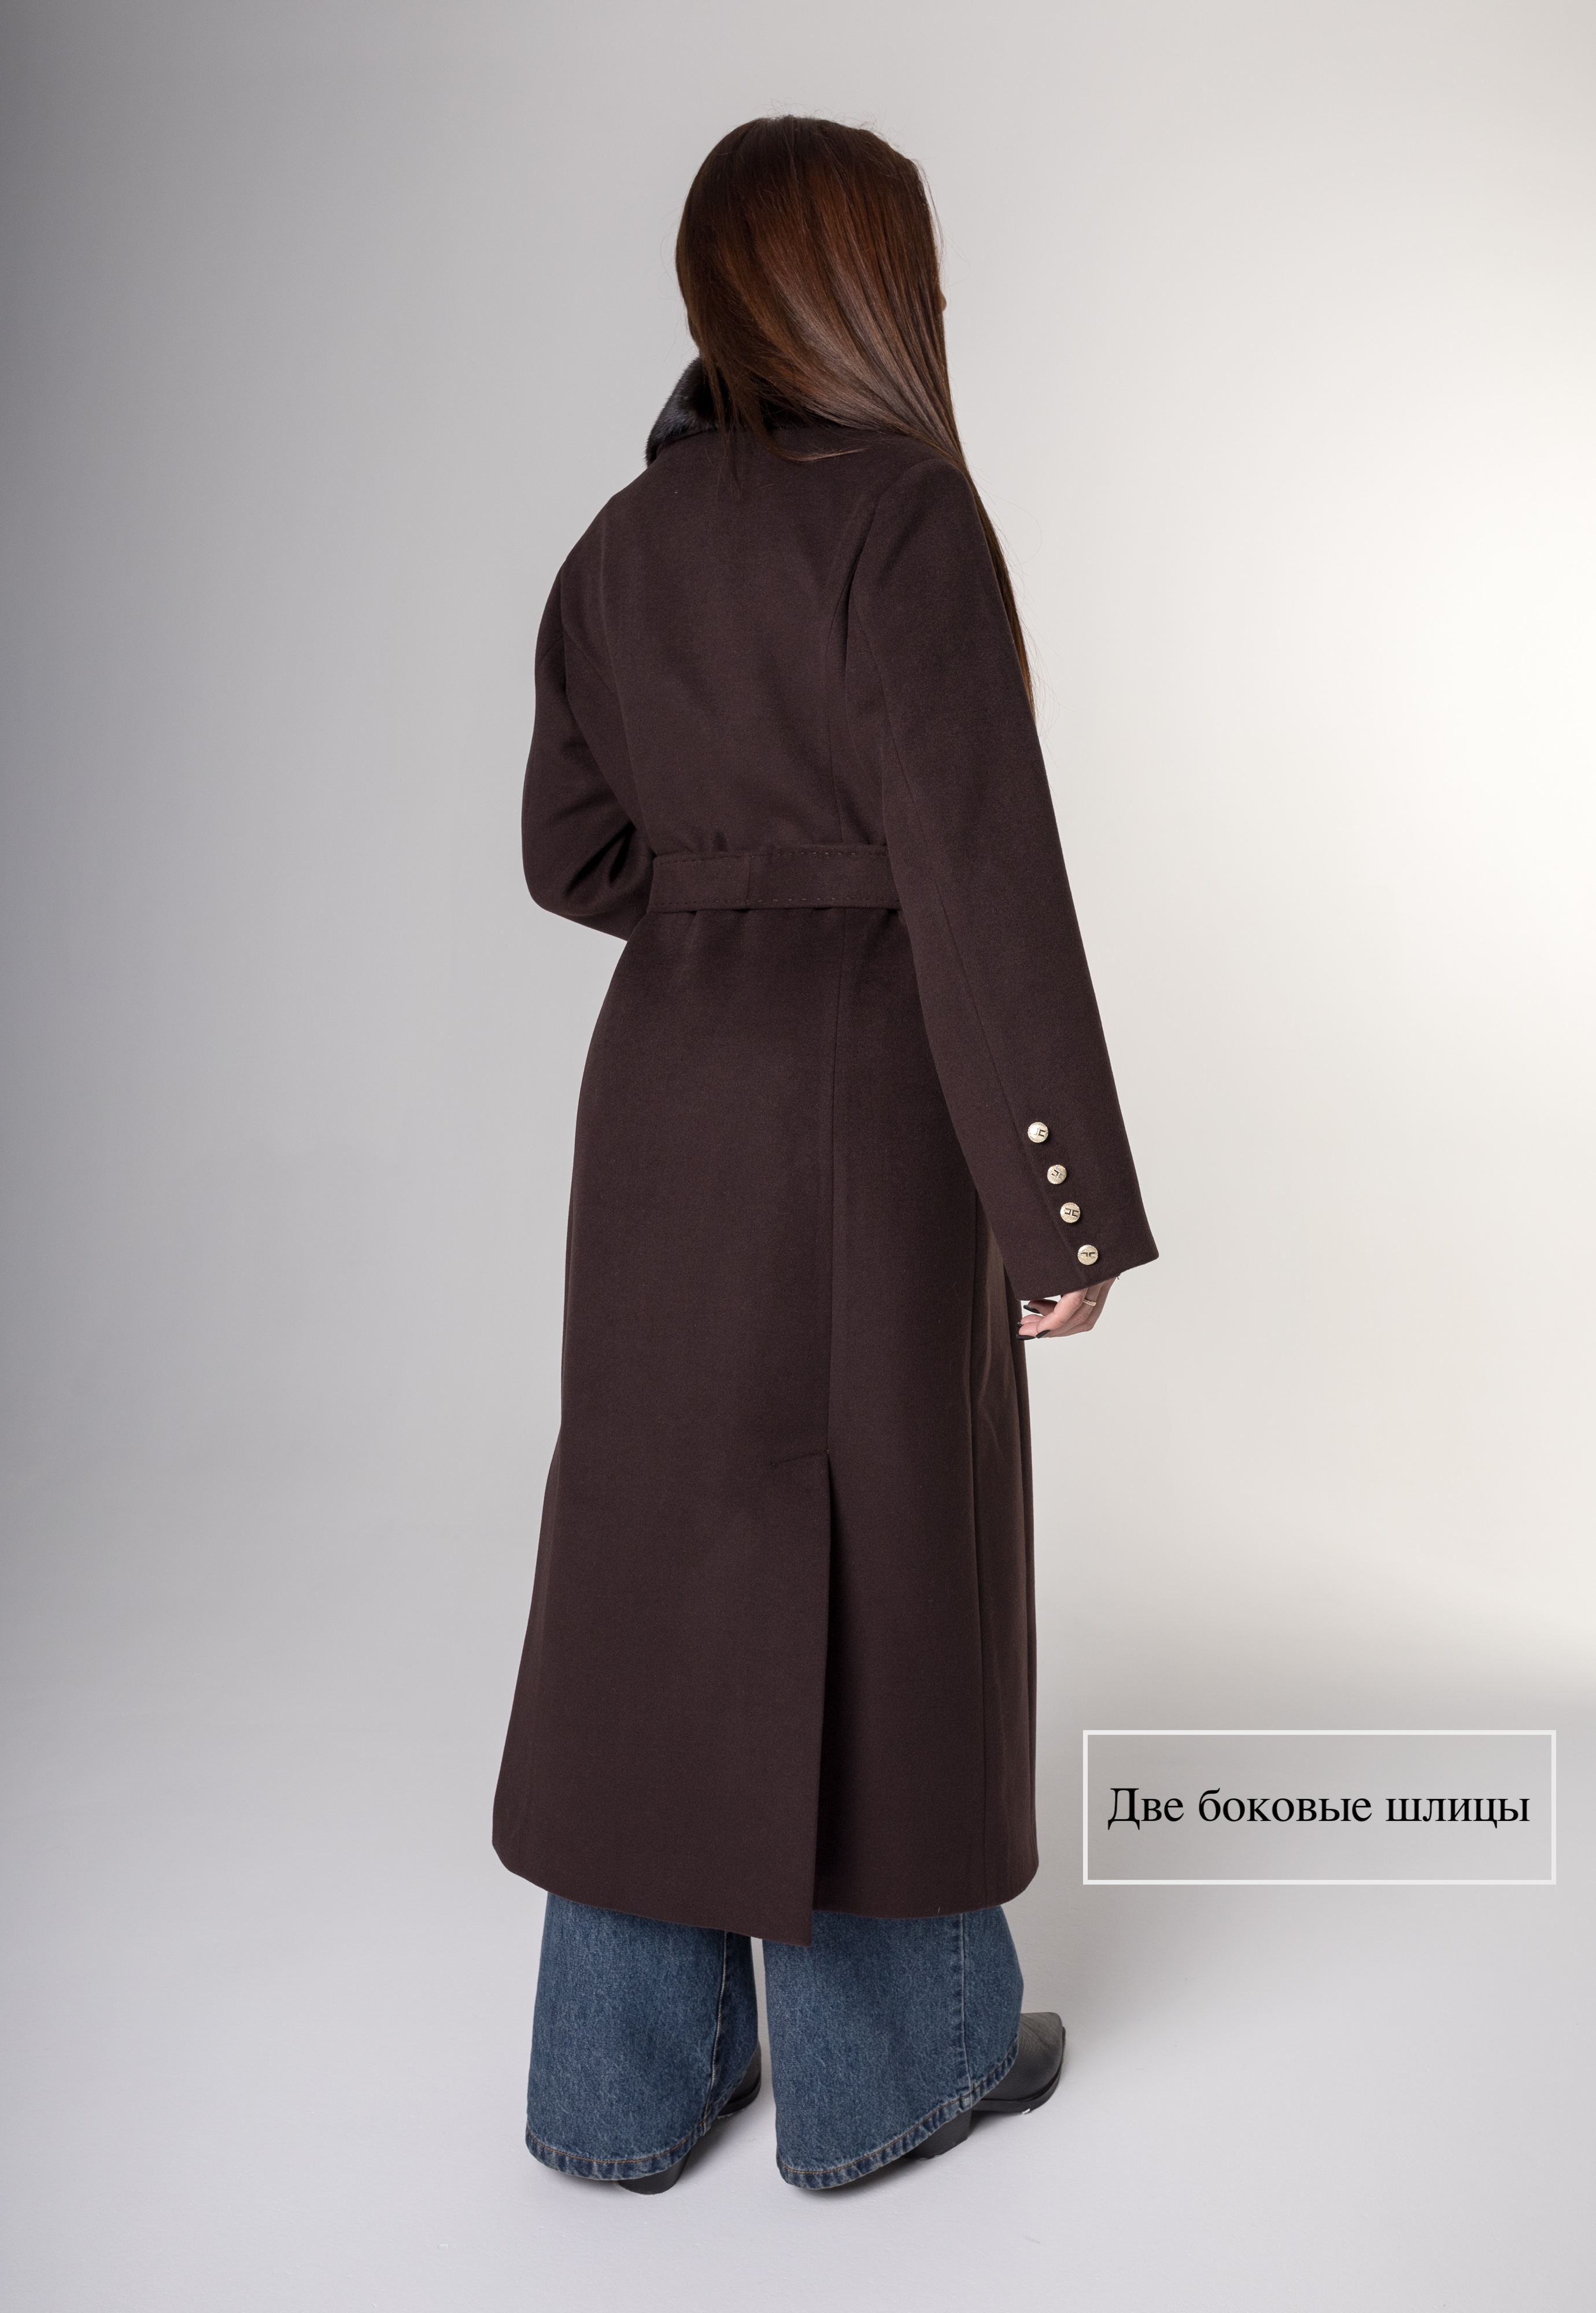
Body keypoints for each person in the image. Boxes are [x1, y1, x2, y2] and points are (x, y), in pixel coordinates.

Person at [493, 114, 1157, 2194]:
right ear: (875, 289)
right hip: (874, 1099)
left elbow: (570, 850)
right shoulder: (909, 520)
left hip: (663, 1098)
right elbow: (982, 880)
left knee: (653, 1549)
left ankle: (618, 2088)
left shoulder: (622, 540)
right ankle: (892, 2076)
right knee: (887, 1537)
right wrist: (1061, 1203)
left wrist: (725, 914)